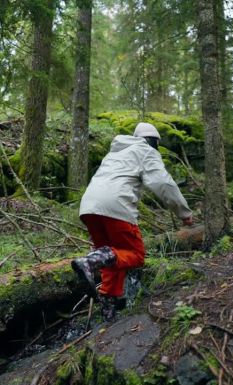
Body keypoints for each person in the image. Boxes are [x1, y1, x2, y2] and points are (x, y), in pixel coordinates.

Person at [72, 122, 193, 321]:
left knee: (114, 257)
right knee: (136, 255)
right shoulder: (146, 151)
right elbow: (162, 182)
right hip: (116, 206)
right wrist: (184, 212)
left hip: (89, 206)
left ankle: (108, 313)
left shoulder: (115, 153)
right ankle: (89, 261)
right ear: (152, 141)